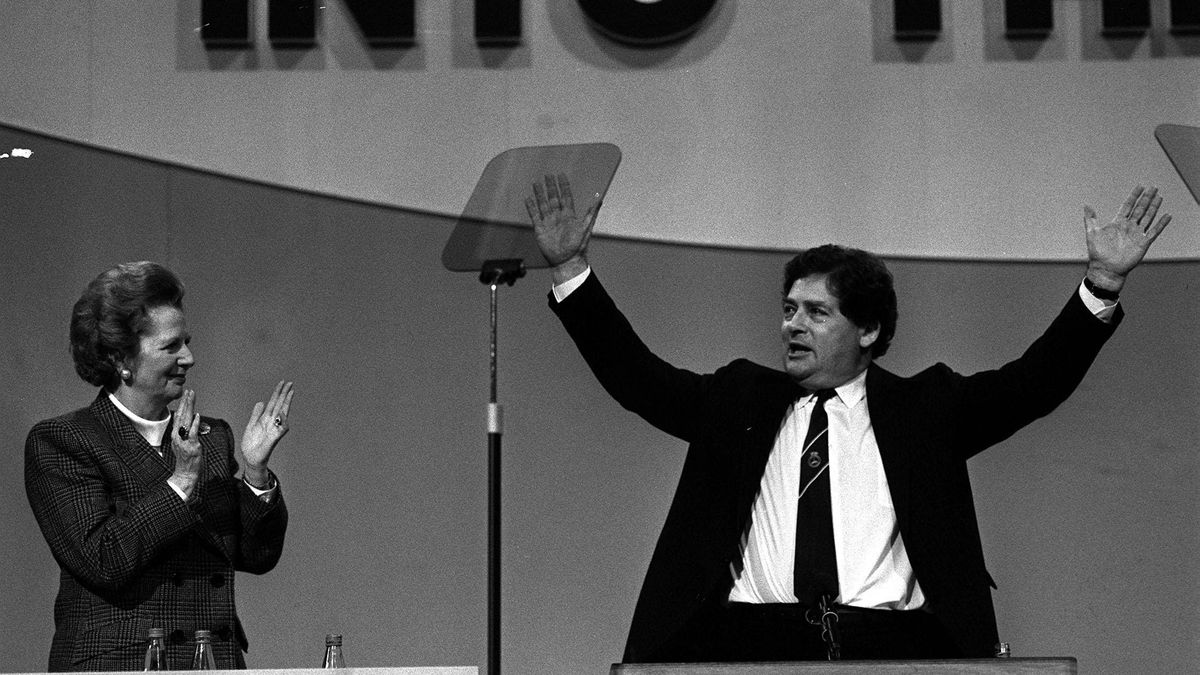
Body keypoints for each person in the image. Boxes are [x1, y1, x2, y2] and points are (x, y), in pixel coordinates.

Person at [525, 177, 1173, 662]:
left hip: (891, 647)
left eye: (817, 312)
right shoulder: (737, 399)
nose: (794, 325)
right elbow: (638, 379)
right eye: (790, 309)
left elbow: (1033, 385)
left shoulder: (927, 410)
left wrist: (1101, 282)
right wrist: (570, 269)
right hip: (746, 645)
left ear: (867, 330)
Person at [24, 261, 294, 671]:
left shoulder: (212, 437)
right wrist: (181, 481)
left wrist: (255, 473)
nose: (189, 358)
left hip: (210, 661)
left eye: (187, 342)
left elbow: (257, 556)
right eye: (171, 347)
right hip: (124, 665)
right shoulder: (65, 441)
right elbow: (103, 559)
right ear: (121, 358)